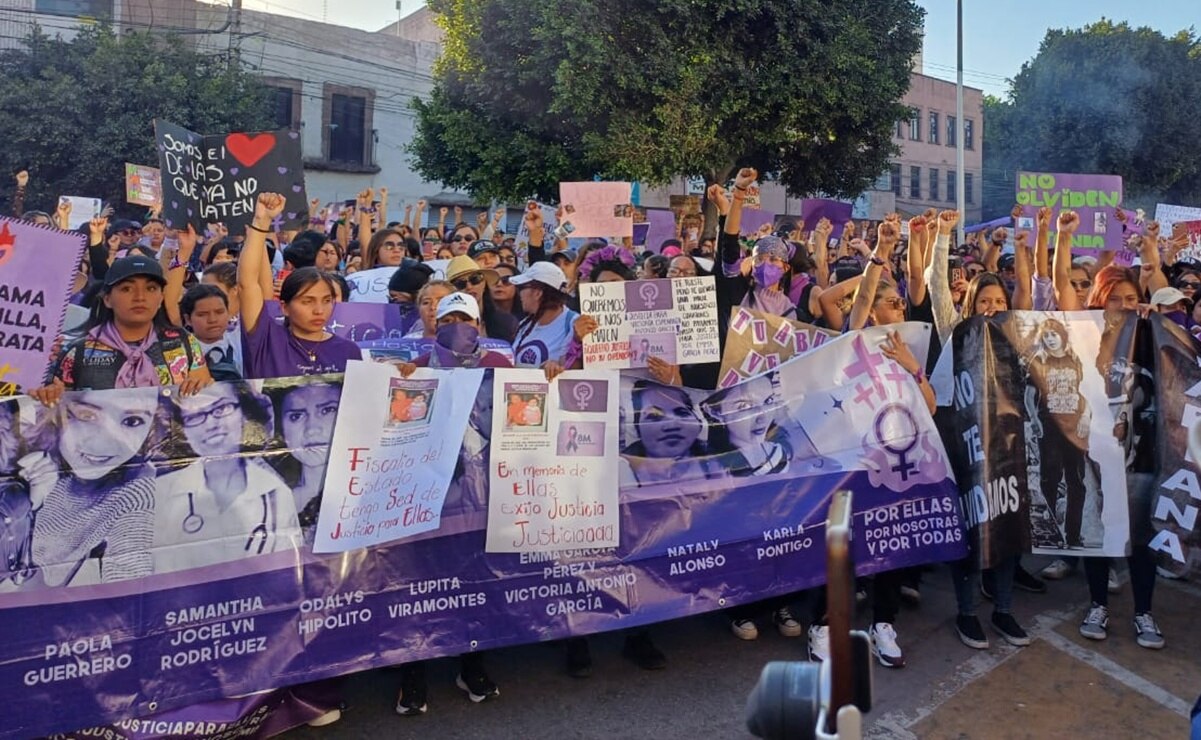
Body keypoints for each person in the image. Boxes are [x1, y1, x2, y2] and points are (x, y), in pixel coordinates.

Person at [17, 387, 164, 588]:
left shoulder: (135, 484)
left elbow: (128, 578)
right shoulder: (19, 446)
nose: (104, 441)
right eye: (86, 416)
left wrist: (29, 510)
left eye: (132, 421)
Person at [153, 382, 299, 573]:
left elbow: (287, 574)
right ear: (183, 430)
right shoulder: (158, 494)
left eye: (222, 408)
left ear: (244, 414)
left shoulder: (279, 494)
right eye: (195, 416)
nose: (211, 424)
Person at [32, 255, 212, 401]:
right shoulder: (76, 351)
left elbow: (203, 389)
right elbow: (59, 406)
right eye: (127, 289)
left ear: (160, 299)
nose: (140, 297)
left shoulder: (182, 341)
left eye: (151, 288)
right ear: (107, 299)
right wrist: (51, 395)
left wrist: (203, 386)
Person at [237, 193, 362, 379]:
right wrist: (261, 222)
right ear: (284, 307)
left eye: (327, 300)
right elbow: (247, 284)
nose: (319, 310)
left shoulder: (349, 351)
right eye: (307, 301)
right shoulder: (267, 339)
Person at [619, 382, 712, 487]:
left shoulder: (719, 462)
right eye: (654, 416)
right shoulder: (618, 471)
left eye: (682, 413)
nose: (671, 425)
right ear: (637, 426)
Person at [400, 293, 513, 369]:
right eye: (448, 320)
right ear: (437, 325)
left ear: (478, 325)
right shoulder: (418, 367)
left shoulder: (498, 363)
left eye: (465, 320)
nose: (457, 326)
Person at [509, 262, 581, 368]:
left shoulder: (574, 324)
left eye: (522, 288)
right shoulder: (525, 324)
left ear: (537, 293)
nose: (519, 294)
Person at [445, 254, 517, 342]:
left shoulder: (507, 323)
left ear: (484, 283)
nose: (469, 286)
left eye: (475, 279)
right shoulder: (445, 325)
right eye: (460, 283)